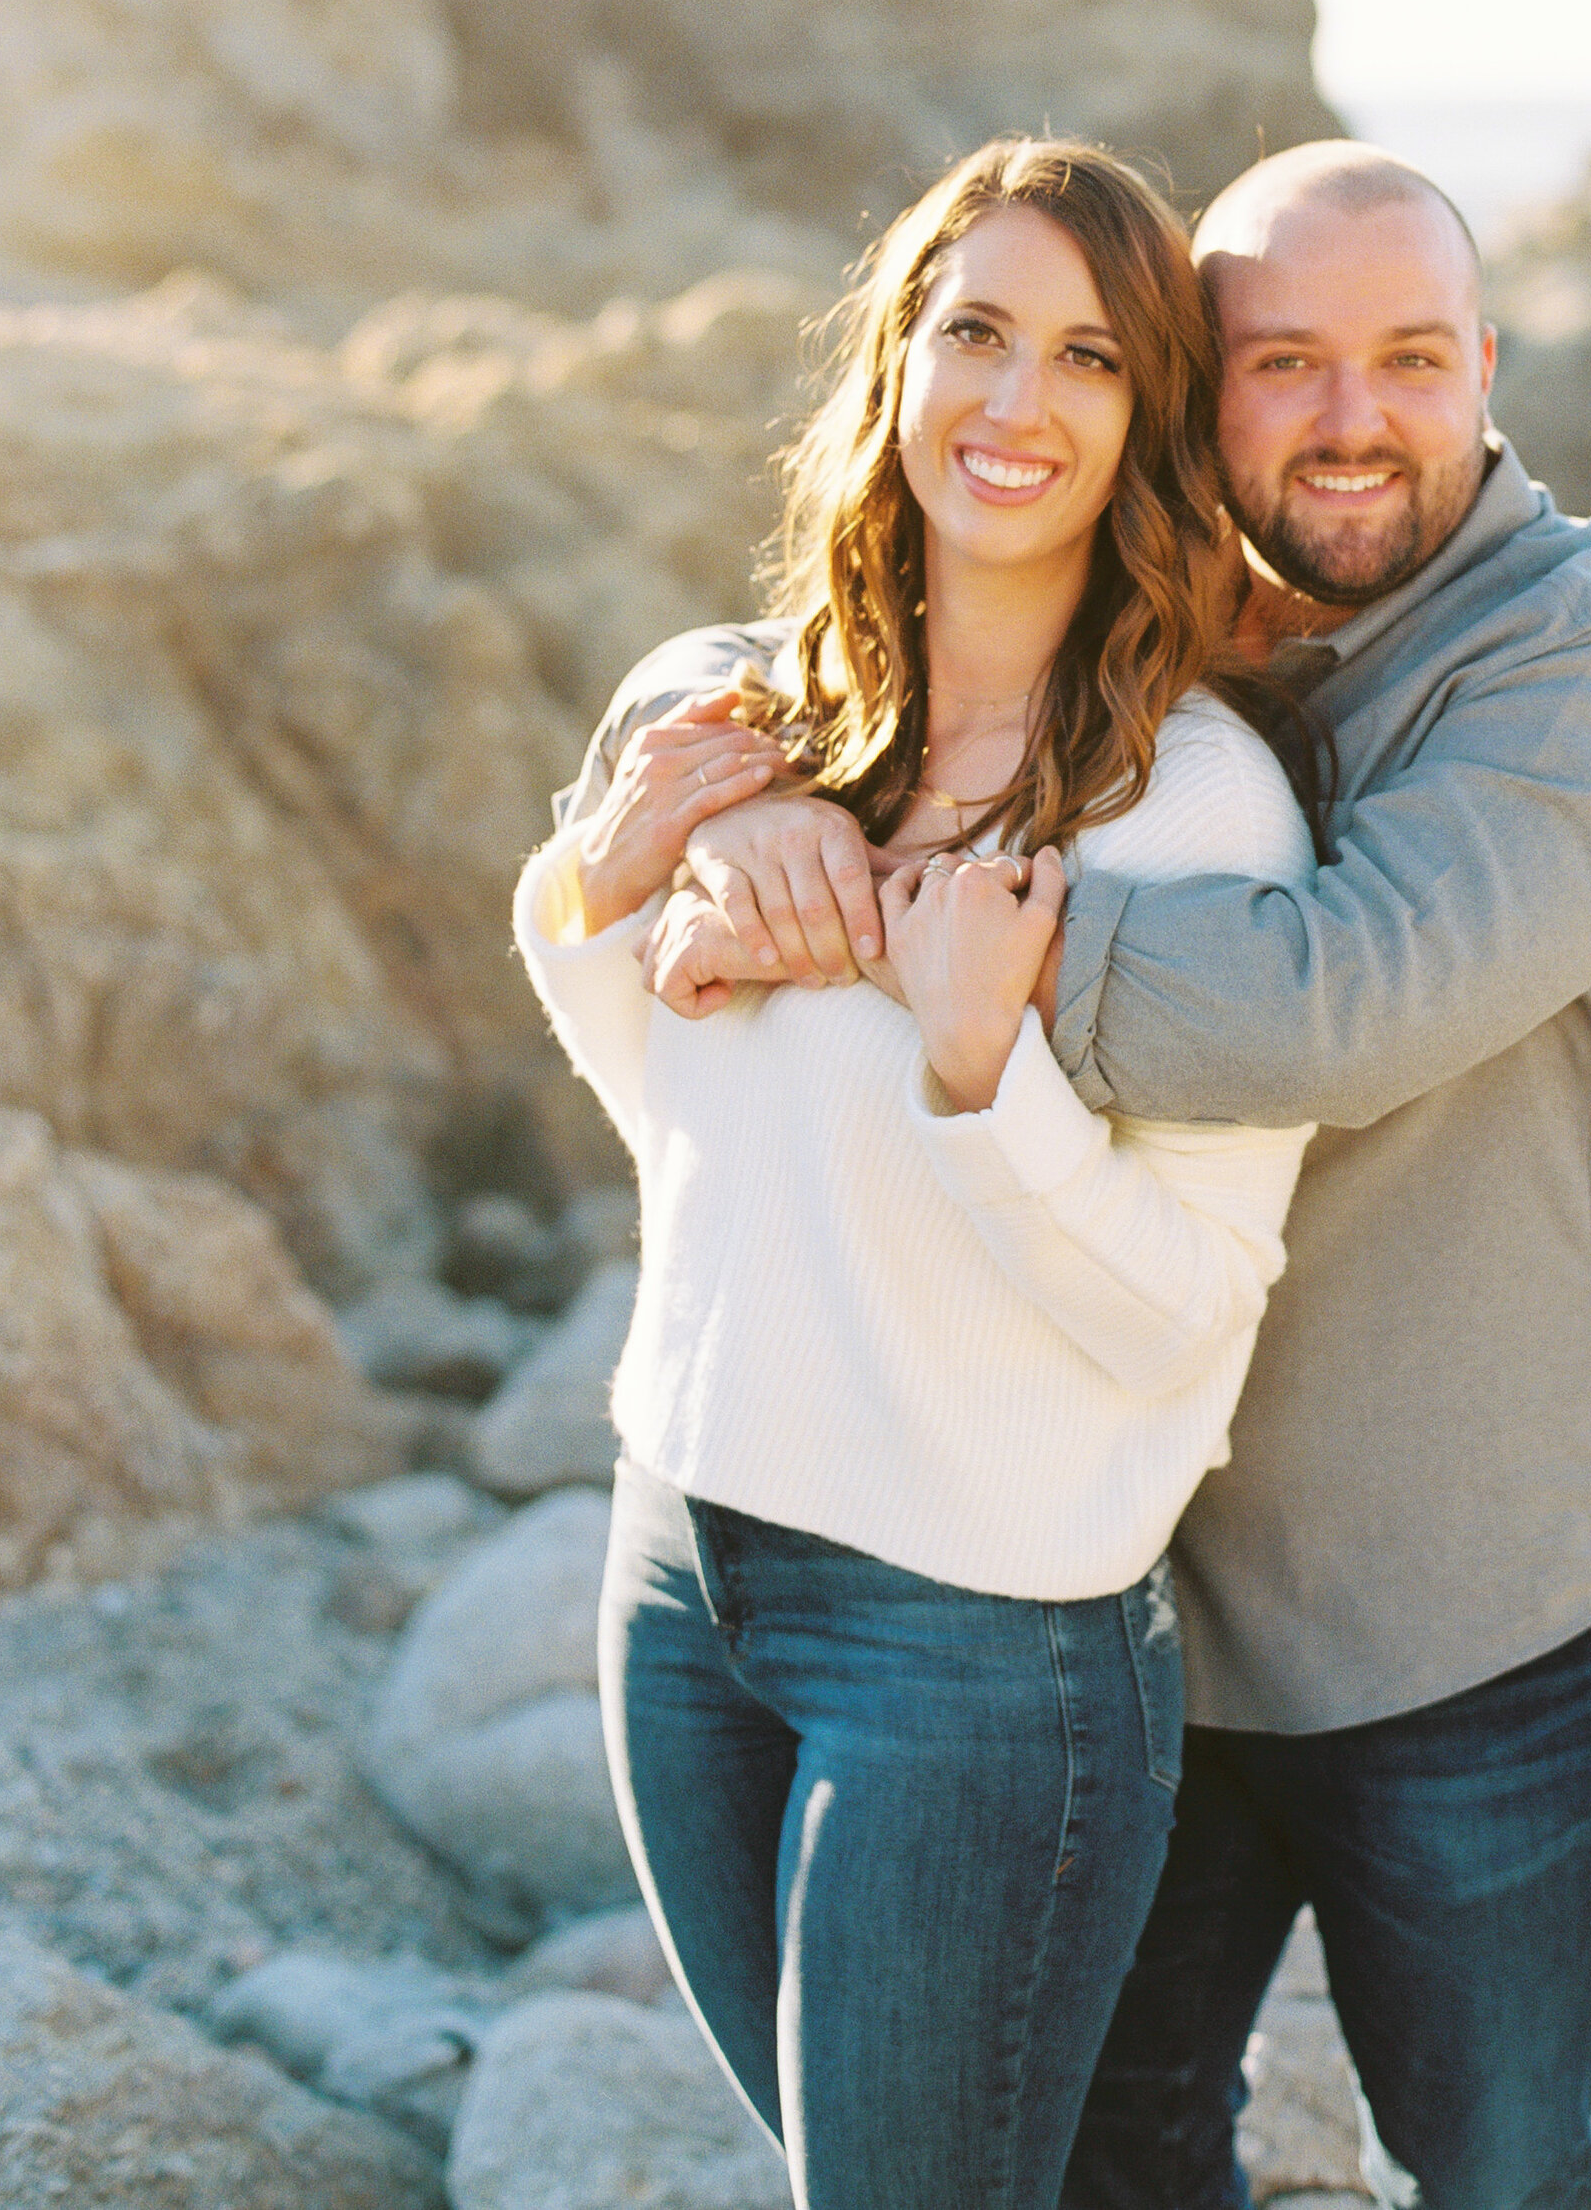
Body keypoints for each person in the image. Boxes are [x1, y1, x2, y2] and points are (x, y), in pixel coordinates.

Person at [631, 140, 1591, 2210]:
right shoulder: (1191, 629)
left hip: (1487, 1602)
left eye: (1409, 358)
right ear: (1194, 395)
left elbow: (1338, 996)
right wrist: (719, 812)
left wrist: (895, 908)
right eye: (1283, 362)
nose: (1350, 418)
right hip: (1157, 1575)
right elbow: (831, 662)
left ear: (1485, 367)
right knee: (1108, 2145)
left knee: (1491, 2156)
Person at [517, 136, 1320, 2210]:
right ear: (894, 357)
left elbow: (1179, 1316)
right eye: (972, 329)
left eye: (1084, 355)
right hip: (683, 1576)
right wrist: (613, 880)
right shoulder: (769, 715)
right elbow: (685, 1132)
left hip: (975, 1652)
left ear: (1146, 419)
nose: (1013, 400)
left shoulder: (1192, 815)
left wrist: (985, 1069)